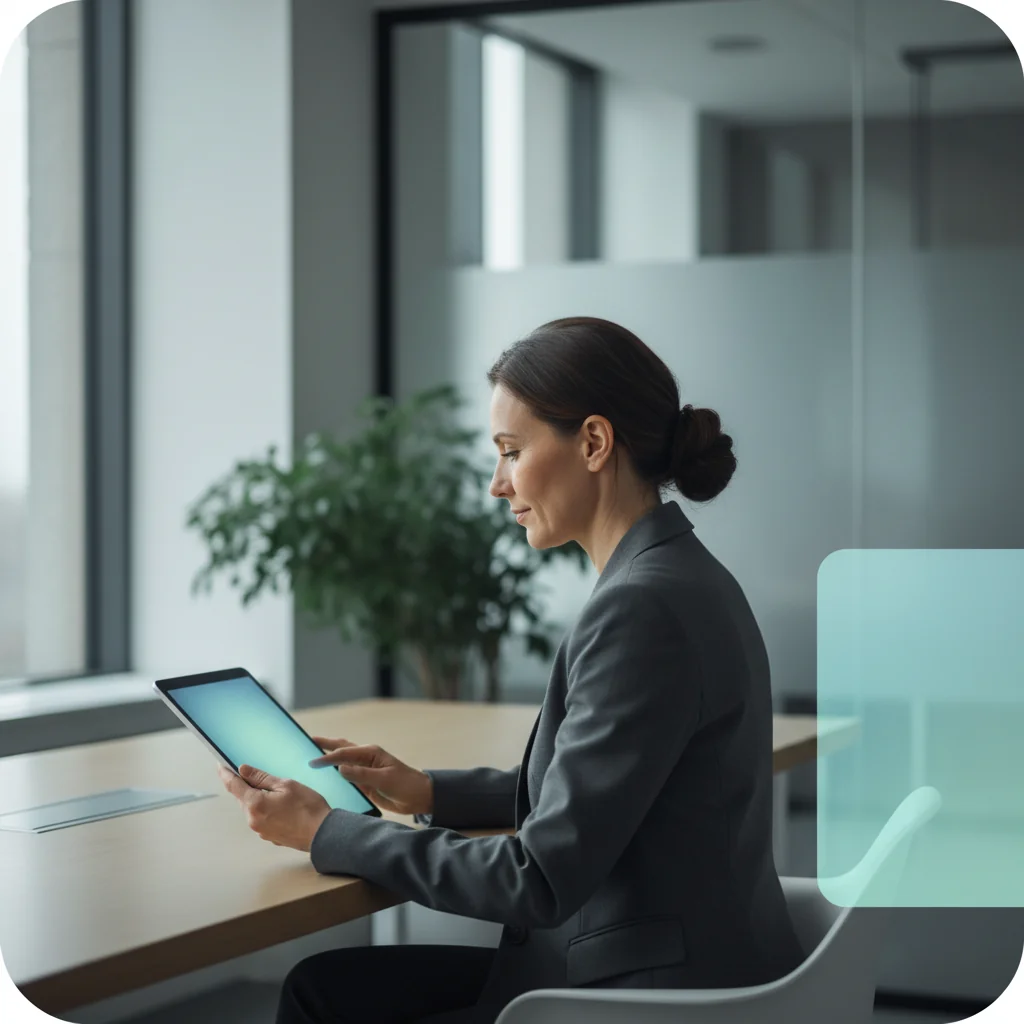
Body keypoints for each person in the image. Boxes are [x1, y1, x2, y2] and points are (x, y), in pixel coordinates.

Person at [222, 316, 806, 1024]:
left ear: (593, 442)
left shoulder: (643, 609)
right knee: (325, 989)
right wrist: (426, 789)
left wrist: (325, 832)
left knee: (323, 998)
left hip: (639, 996)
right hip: (682, 960)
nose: (498, 484)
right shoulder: (678, 576)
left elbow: (540, 880)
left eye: (511, 451)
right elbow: (604, 792)